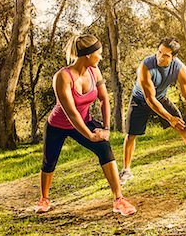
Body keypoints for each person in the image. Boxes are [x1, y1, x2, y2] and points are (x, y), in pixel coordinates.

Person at [36, 34, 136, 216]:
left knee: (104, 148)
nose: (101, 57)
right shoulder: (62, 77)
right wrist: (90, 135)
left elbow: (104, 99)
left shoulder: (94, 71)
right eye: (99, 53)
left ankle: (119, 199)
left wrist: (105, 129)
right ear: (88, 55)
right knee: (49, 161)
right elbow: (71, 113)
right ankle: (44, 198)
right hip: (58, 125)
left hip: (85, 120)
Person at [119, 37, 186, 185]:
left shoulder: (180, 69)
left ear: (174, 57)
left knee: (183, 128)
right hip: (140, 100)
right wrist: (169, 118)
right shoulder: (145, 66)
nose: (160, 57)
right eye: (159, 52)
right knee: (131, 135)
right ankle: (126, 171)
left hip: (161, 98)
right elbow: (149, 99)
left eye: (166, 55)